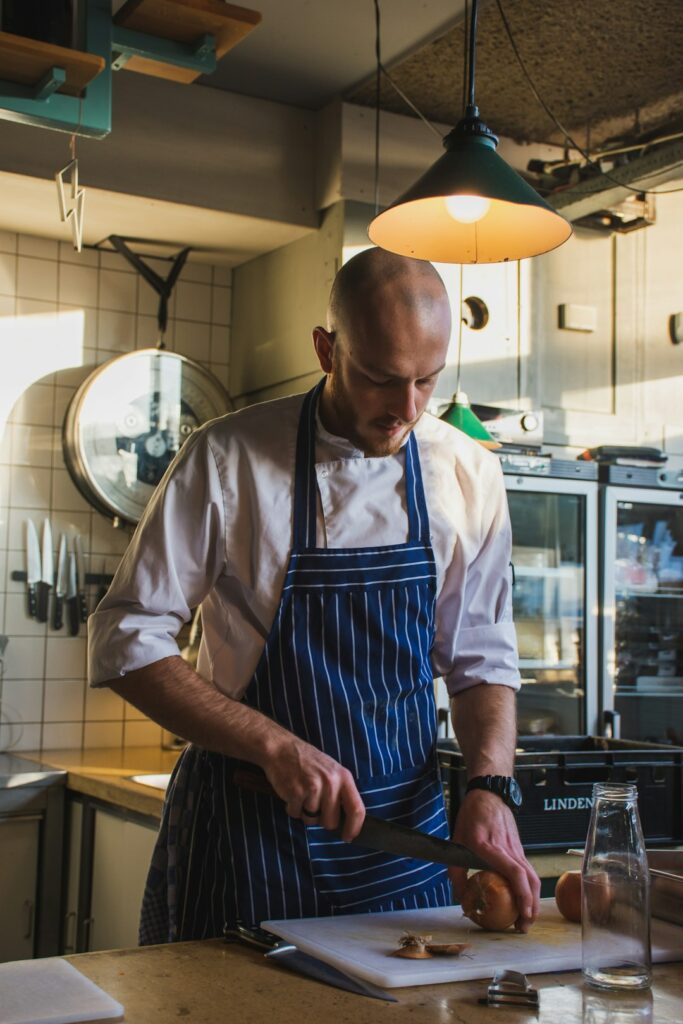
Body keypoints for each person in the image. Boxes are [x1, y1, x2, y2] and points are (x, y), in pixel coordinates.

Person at [88, 247, 540, 944]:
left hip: (402, 843)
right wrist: (272, 744)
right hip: (251, 832)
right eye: (380, 380)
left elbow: (480, 659)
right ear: (326, 350)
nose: (405, 410)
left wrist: (489, 787)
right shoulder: (226, 457)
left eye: (426, 381)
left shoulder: (466, 471)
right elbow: (124, 641)